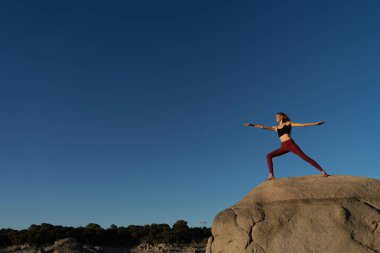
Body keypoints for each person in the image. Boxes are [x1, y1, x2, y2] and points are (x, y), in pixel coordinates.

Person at [244, 112, 329, 181]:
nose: (275, 118)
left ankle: (322, 171)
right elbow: (263, 127)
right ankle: (271, 175)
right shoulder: (276, 128)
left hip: (291, 144)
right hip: (283, 147)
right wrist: (252, 125)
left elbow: (301, 125)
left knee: (305, 157)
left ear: (281, 116)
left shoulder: (288, 123)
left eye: (276, 116)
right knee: (268, 156)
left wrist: (315, 123)